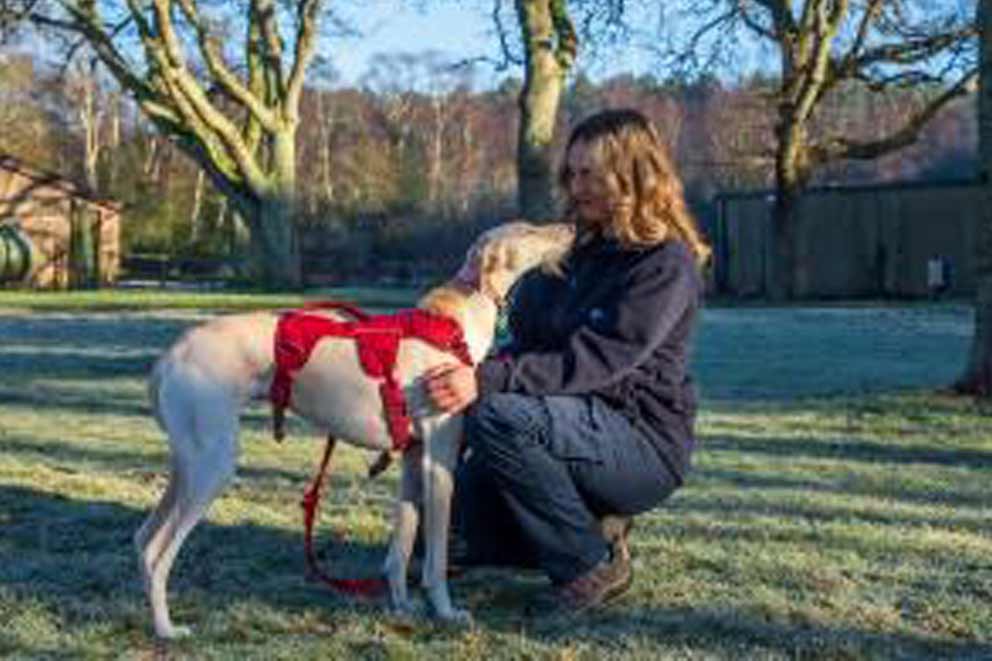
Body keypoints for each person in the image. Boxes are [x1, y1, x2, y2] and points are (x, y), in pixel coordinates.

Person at [424, 108, 710, 614]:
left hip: (639, 442)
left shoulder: (665, 264)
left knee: (497, 413)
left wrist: (486, 382)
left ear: (633, 177)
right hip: (560, 422)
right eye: (571, 173)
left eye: (591, 175)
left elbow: (598, 360)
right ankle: (581, 524)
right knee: (449, 532)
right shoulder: (568, 253)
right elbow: (522, 341)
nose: (576, 188)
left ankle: (588, 562)